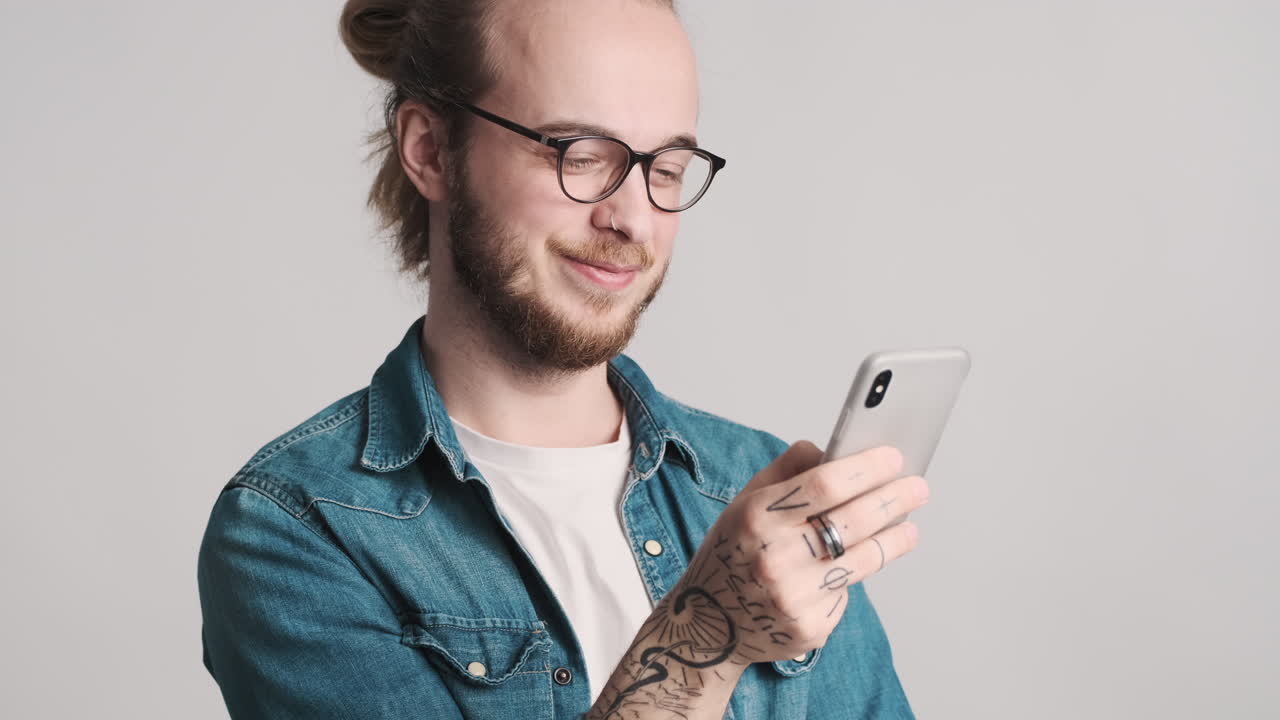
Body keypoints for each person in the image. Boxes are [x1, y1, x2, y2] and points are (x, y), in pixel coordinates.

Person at [196, 0, 926, 717]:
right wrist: (707, 634)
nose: (632, 219)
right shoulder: (296, 530)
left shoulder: (758, 490)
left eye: (666, 169)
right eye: (581, 154)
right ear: (430, 150)